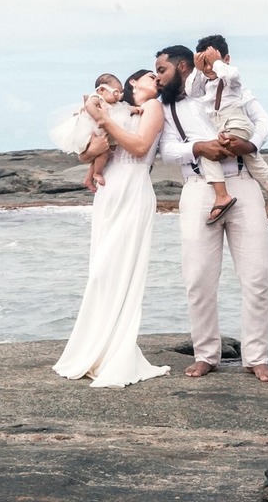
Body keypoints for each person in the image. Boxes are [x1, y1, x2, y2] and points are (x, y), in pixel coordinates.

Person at [154, 44, 268, 383]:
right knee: (198, 278)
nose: (157, 77)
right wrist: (198, 147)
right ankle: (206, 354)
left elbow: (264, 121)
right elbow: (166, 150)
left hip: (242, 182)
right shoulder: (167, 108)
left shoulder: (231, 87)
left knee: (257, 276)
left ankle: (256, 357)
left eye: (161, 70)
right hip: (197, 189)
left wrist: (251, 145)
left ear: (181, 67)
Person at [52, 69, 171, 388]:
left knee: (117, 269)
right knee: (100, 270)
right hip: (109, 192)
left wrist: (106, 123)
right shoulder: (115, 108)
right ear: (133, 82)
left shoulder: (152, 108)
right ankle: (95, 349)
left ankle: (116, 351)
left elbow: (140, 148)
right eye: (150, 77)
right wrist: (95, 148)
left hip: (133, 188)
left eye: (159, 78)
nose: (157, 81)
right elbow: (85, 153)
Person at [187, 34, 268, 230]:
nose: (209, 68)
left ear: (227, 60)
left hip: (236, 122)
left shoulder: (234, 83)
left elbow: (232, 76)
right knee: (250, 158)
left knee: (210, 151)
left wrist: (217, 62)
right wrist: (198, 69)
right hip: (220, 127)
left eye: (211, 63)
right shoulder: (205, 85)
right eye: (205, 64)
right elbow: (191, 92)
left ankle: (222, 196)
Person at [48, 74, 130, 189]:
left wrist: (135, 109)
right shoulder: (96, 98)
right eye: (116, 92)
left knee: (102, 154)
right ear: (102, 90)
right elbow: (88, 105)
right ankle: (97, 173)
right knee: (104, 153)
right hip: (91, 131)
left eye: (121, 94)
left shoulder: (113, 104)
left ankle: (88, 179)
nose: (118, 97)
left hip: (100, 134)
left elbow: (125, 109)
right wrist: (99, 118)